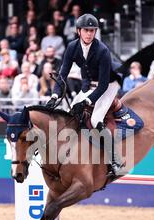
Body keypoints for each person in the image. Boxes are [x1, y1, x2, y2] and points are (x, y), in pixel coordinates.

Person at [46, 13, 124, 176]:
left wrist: (87, 101)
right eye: (86, 30)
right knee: (70, 115)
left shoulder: (102, 50)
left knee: (95, 119)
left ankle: (115, 160)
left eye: (92, 30)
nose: (89, 33)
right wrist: (54, 96)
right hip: (89, 83)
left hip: (108, 84)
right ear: (78, 31)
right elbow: (63, 75)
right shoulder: (72, 47)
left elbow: (102, 85)